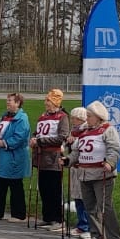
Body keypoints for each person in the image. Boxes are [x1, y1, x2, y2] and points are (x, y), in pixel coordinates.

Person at [73, 101, 120, 239]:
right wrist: (68, 160)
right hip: (84, 174)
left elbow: (114, 149)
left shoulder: (107, 129)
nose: (87, 118)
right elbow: (77, 151)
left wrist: (110, 162)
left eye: (89, 116)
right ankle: (97, 235)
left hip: (102, 174)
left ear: (98, 117)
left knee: (105, 207)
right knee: (90, 207)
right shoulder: (84, 131)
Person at [30, 88, 70, 229]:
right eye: (46, 100)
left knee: (54, 189)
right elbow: (37, 132)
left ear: (55, 102)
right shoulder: (43, 116)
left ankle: (58, 219)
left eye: (48, 101)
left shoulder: (62, 117)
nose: (46, 103)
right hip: (41, 158)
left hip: (53, 158)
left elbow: (62, 137)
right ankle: (47, 217)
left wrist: (40, 141)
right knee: (44, 188)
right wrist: (33, 138)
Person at [0, 93, 31, 222]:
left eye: (10, 100)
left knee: (15, 185)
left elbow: (19, 137)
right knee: (0, 183)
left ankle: (18, 214)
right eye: (7, 100)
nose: (7, 102)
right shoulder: (4, 116)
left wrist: (4, 143)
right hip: (1, 156)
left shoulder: (22, 119)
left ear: (18, 103)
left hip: (14, 157)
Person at [65, 107, 92, 238]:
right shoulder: (73, 130)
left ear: (81, 119)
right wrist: (68, 142)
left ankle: (87, 225)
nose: (72, 121)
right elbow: (68, 148)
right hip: (74, 167)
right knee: (76, 196)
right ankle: (81, 224)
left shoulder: (86, 130)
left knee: (84, 197)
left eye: (74, 118)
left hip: (83, 167)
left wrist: (73, 141)